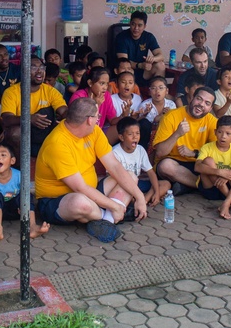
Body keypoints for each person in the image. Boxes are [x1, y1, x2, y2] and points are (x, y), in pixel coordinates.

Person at [34, 97, 147, 243]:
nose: (99, 119)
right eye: (97, 116)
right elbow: (79, 187)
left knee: (131, 176)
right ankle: (112, 214)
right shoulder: (57, 143)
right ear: (89, 120)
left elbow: (114, 166)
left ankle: (105, 219)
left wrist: (139, 197)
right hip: (59, 200)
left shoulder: (94, 131)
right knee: (80, 203)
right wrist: (114, 205)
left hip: (91, 191)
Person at [0, 142, 50, 241]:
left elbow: (27, 194)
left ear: (12, 160)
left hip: (17, 212)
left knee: (26, 195)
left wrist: (22, 206)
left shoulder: (19, 175)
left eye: (3, 155)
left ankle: (32, 226)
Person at [153, 88, 219, 192]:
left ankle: (186, 186)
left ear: (210, 108)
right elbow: (160, 153)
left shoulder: (212, 121)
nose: (201, 104)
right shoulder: (171, 116)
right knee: (165, 166)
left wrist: (194, 154)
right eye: (199, 99)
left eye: (207, 103)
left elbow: (218, 152)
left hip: (197, 162)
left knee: (211, 162)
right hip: (172, 162)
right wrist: (177, 134)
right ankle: (204, 187)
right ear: (192, 98)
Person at [0, 56, 68, 155]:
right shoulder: (11, 92)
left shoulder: (50, 91)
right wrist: (29, 119)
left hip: (45, 133)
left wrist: (75, 114)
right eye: (34, 68)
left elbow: (64, 111)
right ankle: (20, 169)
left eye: (41, 67)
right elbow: (7, 119)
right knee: (15, 133)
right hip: (23, 137)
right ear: (24, 71)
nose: (39, 71)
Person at [107, 117, 169, 209]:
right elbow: (112, 178)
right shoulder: (115, 152)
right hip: (123, 186)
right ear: (121, 137)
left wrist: (156, 192)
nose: (135, 137)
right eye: (130, 134)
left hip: (137, 184)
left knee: (165, 184)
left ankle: (144, 200)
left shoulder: (140, 150)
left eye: (137, 133)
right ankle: (137, 201)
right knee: (124, 194)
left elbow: (151, 173)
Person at [115, 11, 166, 86]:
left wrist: (152, 59)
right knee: (125, 68)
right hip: (129, 70)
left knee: (160, 65)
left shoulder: (148, 37)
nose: (136, 28)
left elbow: (161, 56)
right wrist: (140, 65)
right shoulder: (122, 37)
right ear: (130, 23)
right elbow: (123, 63)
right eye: (133, 24)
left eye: (140, 25)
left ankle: (159, 90)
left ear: (144, 26)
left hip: (144, 71)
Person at [70, 67, 119, 143]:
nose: (105, 87)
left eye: (107, 84)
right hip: (81, 134)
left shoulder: (106, 95)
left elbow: (112, 120)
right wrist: (96, 105)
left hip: (98, 132)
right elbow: (78, 124)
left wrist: (124, 116)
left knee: (123, 128)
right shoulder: (79, 96)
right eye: (102, 83)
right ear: (90, 83)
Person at [108, 71, 149, 143]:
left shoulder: (138, 98)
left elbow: (136, 120)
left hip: (133, 129)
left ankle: (141, 149)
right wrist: (123, 116)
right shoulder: (111, 99)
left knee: (145, 123)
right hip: (119, 129)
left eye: (130, 83)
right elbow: (112, 122)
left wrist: (143, 115)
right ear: (117, 85)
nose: (127, 85)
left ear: (134, 86)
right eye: (123, 82)